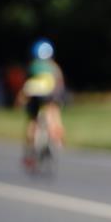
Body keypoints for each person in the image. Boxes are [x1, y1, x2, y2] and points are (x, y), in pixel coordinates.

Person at [19, 38, 66, 168]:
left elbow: (26, 87)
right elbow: (60, 84)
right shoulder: (53, 67)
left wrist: (21, 100)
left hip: (35, 96)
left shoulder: (33, 66)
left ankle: (30, 150)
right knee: (54, 113)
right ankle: (58, 139)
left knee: (32, 120)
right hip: (51, 95)